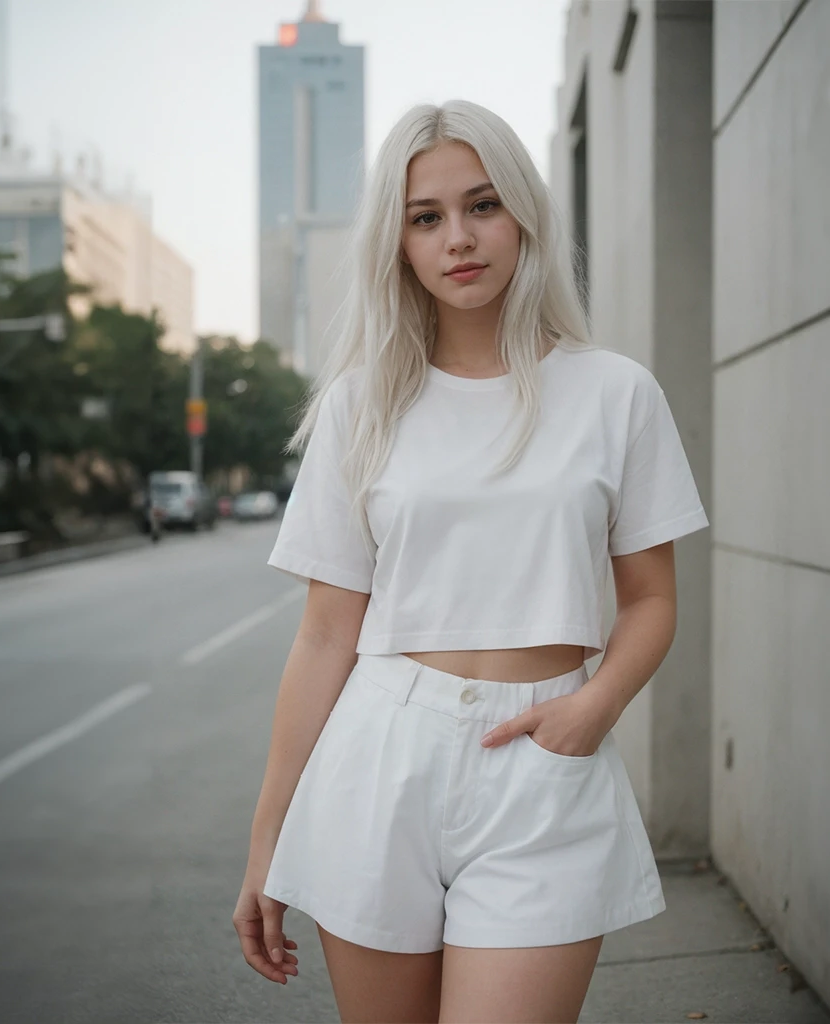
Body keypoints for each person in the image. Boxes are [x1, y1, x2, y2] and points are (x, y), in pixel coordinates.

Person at [233, 99, 709, 1024]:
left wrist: (594, 706)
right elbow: (327, 635)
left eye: (482, 205)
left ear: (524, 213)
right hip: (380, 756)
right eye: (426, 217)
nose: (459, 237)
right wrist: (269, 842)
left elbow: (651, 598)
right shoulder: (360, 407)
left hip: (544, 763)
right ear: (399, 244)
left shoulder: (615, 393)